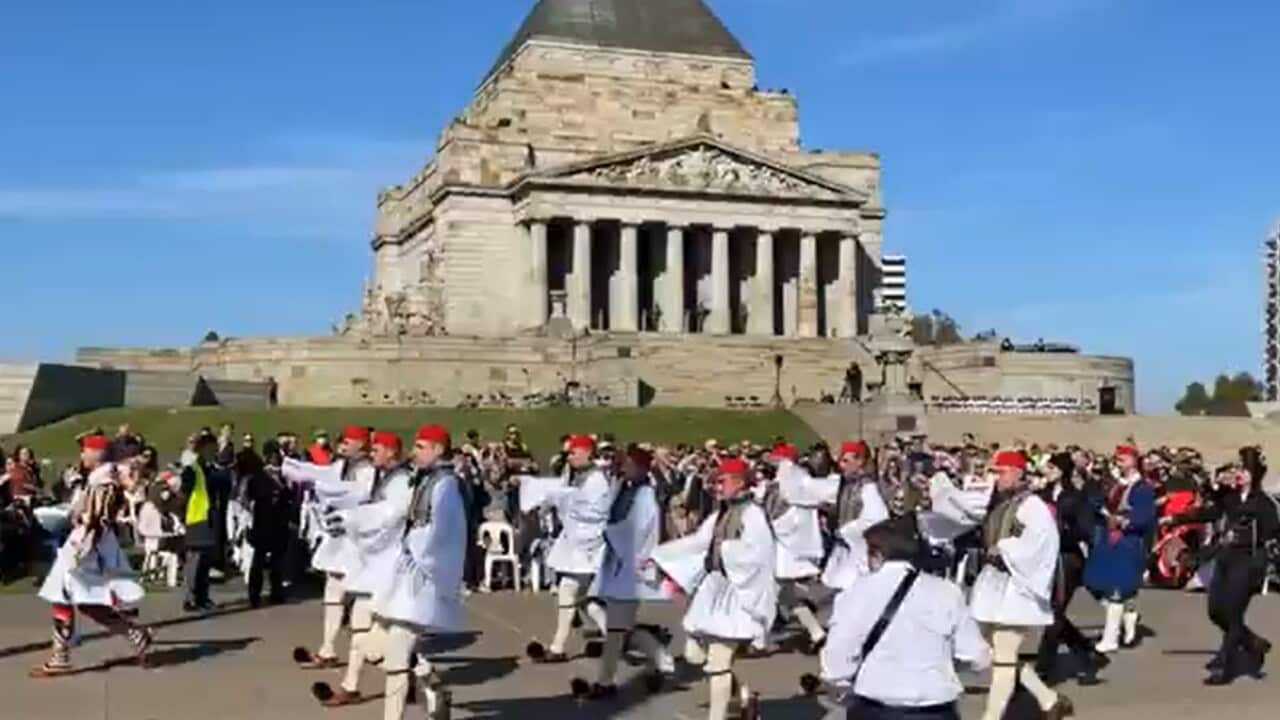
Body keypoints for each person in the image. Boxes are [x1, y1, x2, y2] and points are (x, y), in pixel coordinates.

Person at [820, 518, 990, 719]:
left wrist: (847, 686)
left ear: (877, 554)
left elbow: (836, 663)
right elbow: (976, 656)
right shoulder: (947, 591)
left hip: (877, 708)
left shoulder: (855, 593)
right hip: (936, 709)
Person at [651, 456, 775, 720]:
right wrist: (658, 555)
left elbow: (759, 555)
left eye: (722, 481)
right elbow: (699, 542)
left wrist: (726, 549)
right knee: (694, 654)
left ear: (740, 483)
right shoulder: (721, 512)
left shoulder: (753, 515)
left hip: (738, 595)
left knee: (718, 662)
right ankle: (743, 695)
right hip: (715, 592)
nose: (716, 487)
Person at [364, 423, 468, 720]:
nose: (414, 452)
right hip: (405, 572)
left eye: (421, 447)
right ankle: (430, 684)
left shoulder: (445, 484)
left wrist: (412, 547)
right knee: (373, 647)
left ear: (438, 450)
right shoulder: (425, 479)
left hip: (422, 577)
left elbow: (441, 532)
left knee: (396, 653)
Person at [312, 430, 415, 707]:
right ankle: (353, 684)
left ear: (391, 451)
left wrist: (353, 518)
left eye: (377, 449)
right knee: (363, 629)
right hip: (371, 562)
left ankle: (421, 677)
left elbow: (389, 516)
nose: (373, 453)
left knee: (372, 636)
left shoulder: (401, 481)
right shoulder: (385, 477)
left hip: (386, 565)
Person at [970, 450, 1073, 720]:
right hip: (996, 586)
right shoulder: (1004, 502)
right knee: (1002, 653)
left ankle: (991, 717)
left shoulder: (1033, 507)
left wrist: (1004, 548)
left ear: (1017, 473)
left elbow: (1041, 543)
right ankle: (1049, 700)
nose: (998, 478)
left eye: (1002, 472)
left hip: (1018, 588)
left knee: (1004, 657)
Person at [1164, 447, 1279, 685]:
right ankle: (1252, 643)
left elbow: (1272, 532)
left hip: (1249, 562)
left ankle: (1226, 668)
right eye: (1238, 469)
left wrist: (1248, 538)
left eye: (1244, 470)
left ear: (1255, 473)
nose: (1239, 474)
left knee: (1234, 614)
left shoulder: (1265, 503)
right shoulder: (1231, 497)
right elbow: (1210, 513)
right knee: (1216, 611)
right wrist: (1176, 519)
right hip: (1226, 558)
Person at [30, 462, 153, 678]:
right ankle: (134, 633)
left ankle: (61, 657)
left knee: (64, 595)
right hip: (90, 543)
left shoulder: (102, 483)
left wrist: (84, 542)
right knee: (86, 602)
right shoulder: (102, 481)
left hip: (86, 544)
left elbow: (97, 518)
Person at [574, 444, 676, 700]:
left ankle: (606, 682)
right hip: (616, 565)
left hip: (630, 568)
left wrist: (608, 533)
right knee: (611, 621)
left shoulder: (645, 497)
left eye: (629, 464)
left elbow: (638, 532)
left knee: (616, 629)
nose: (624, 468)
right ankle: (659, 658)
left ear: (641, 468)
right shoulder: (625, 490)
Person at [286, 425, 377, 669]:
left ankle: (373, 649)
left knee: (361, 596)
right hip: (339, 536)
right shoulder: (341, 465)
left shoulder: (367, 470)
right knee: (334, 589)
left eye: (349, 441)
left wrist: (327, 490)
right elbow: (322, 473)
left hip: (357, 539)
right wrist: (298, 469)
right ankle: (328, 648)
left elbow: (360, 495)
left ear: (361, 444)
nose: (343, 444)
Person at [527, 434, 612, 664]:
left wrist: (564, 499)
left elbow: (595, 512)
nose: (570, 457)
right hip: (575, 544)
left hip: (587, 546)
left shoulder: (596, 480)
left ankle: (558, 646)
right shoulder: (577, 476)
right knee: (584, 599)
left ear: (586, 452)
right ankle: (618, 638)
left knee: (568, 591)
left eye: (574, 453)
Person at [756, 442, 836, 655]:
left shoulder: (785, 487)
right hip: (786, 551)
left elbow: (775, 518)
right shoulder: (796, 486)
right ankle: (816, 632)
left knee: (768, 596)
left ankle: (759, 640)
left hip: (781, 553)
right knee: (787, 598)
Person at [1035, 452, 1109, 685]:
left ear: (1062, 471)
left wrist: (1062, 530)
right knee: (1048, 611)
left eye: (1053, 468)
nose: (1047, 472)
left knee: (1054, 613)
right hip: (1045, 559)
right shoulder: (1041, 496)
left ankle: (1044, 669)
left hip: (1067, 559)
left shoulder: (1075, 498)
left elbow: (1085, 529)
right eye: (1047, 468)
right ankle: (1086, 651)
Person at [1085, 445, 1156, 653]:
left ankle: (1111, 637)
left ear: (1135, 460)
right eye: (1117, 458)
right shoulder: (1114, 483)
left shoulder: (1143, 487)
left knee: (1117, 588)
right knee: (1093, 579)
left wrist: (1126, 521)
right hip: (1109, 538)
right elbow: (1098, 501)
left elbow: (1146, 516)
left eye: (1124, 458)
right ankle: (1127, 614)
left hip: (1128, 541)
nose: (1119, 461)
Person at [823, 440, 890, 592]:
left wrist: (848, 530)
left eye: (846, 460)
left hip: (859, 550)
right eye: (841, 460)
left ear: (859, 461)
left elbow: (878, 519)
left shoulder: (867, 488)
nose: (842, 465)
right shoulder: (847, 484)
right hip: (845, 549)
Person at [243, 440, 294, 607]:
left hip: (280, 522)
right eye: (272, 455)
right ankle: (254, 594)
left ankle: (276, 592)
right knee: (258, 560)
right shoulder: (258, 476)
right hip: (262, 522)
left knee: (278, 561)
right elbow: (248, 499)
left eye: (277, 455)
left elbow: (290, 497)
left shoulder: (285, 476)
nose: (275, 459)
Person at [180, 430, 225, 612]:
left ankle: (203, 597)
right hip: (197, 518)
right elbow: (185, 490)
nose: (215, 451)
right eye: (212, 448)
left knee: (206, 562)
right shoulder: (194, 468)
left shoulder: (210, 468)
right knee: (195, 561)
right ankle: (190, 598)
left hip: (209, 518)